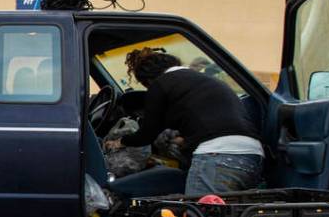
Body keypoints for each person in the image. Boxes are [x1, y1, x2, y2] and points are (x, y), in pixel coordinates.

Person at [104, 47, 263, 196]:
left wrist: (120, 142)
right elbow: (210, 124)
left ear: (148, 81)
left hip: (217, 158)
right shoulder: (204, 81)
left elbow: (147, 134)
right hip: (252, 157)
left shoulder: (161, 85)